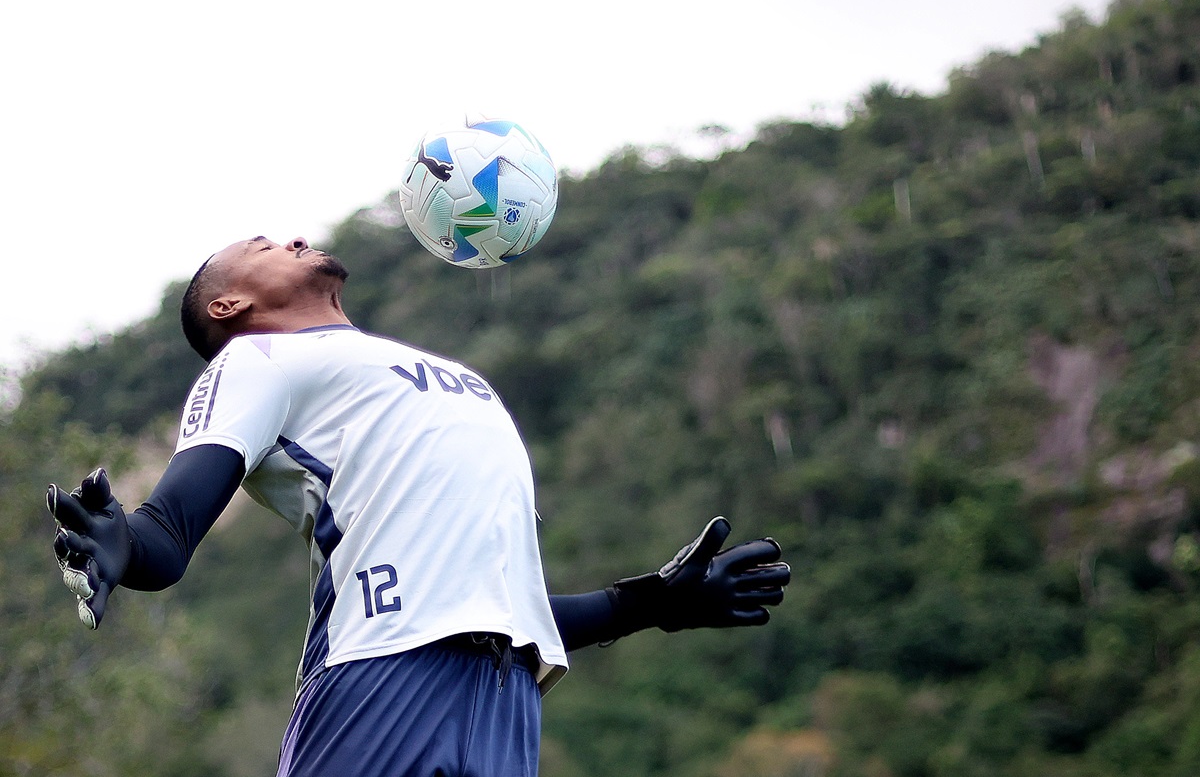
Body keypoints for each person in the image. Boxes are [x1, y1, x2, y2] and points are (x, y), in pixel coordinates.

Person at [46, 236, 791, 777]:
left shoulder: (456, 377)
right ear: (229, 302)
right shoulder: (257, 358)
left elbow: (496, 602)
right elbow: (171, 529)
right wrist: (127, 543)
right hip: (382, 672)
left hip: (505, 696)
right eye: (267, 244)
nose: (297, 237)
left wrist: (654, 600)